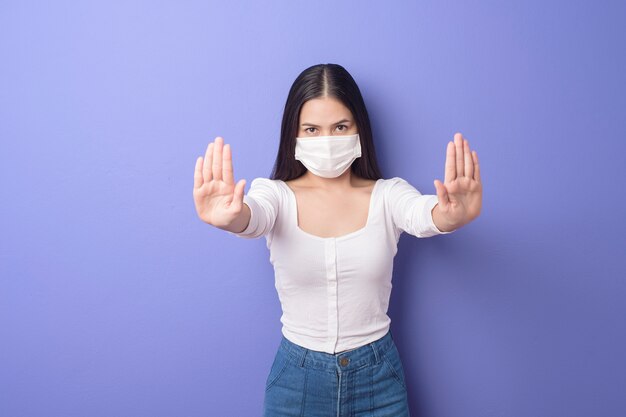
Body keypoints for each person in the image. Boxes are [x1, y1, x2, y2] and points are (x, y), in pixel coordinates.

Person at [192, 63, 482, 416]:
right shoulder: (275, 195)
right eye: (312, 129)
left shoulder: (388, 195)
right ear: (293, 135)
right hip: (297, 382)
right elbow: (252, 216)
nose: (327, 141)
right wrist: (231, 217)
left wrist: (451, 216)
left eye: (340, 127)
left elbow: (424, 214)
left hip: (379, 379)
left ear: (359, 128)